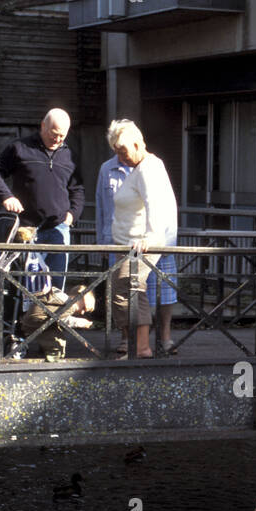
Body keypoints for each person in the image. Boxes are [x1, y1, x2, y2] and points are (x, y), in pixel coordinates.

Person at [96, 119, 179, 357]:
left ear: (137, 144)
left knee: (128, 290)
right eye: (117, 154)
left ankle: (141, 347)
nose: (121, 159)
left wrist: (150, 236)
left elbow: (156, 203)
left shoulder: (148, 168)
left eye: (123, 152)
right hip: (127, 245)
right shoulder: (143, 167)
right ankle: (138, 345)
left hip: (138, 245)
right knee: (127, 290)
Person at [0, 108, 85, 294]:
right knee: (24, 288)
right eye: (53, 134)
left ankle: (50, 322)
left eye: (62, 136)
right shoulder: (20, 148)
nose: (57, 140)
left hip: (58, 228)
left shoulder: (69, 155)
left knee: (55, 290)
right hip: (26, 229)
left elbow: (77, 189)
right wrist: (7, 196)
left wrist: (73, 214)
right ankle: (23, 321)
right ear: (43, 126)